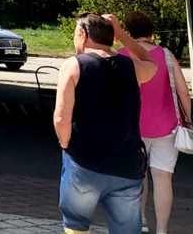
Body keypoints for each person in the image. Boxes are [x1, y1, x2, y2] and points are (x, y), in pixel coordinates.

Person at [54, 13, 158, 234]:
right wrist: (121, 34)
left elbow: (61, 117)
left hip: (84, 161)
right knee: (127, 230)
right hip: (127, 165)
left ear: (82, 35)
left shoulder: (73, 66)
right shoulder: (132, 68)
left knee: (76, 226)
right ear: (111, 38)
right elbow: (151, 63)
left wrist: (65, 145)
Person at [119, 11, 193, 234]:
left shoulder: (121, 55)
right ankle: (162, 230)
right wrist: (188, 119)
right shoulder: (167, 55)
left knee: (137, 176)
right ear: (152, 32)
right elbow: (183, 92)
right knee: (162, 178)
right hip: (166, 127)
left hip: (132, 127)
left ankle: (140, 221)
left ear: (129, 32)